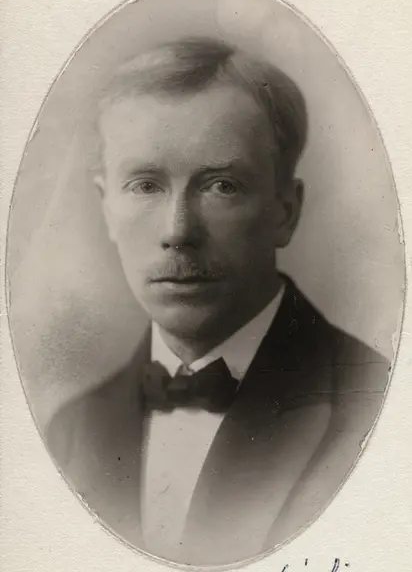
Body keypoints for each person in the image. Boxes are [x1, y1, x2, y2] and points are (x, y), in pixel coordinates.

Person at [46, 37, 389, 566]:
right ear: (107, 207)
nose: (178, 231)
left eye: (221, 186)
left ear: (285, 212)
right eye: (145, 186)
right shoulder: (71, 432)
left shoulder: (377, 408)